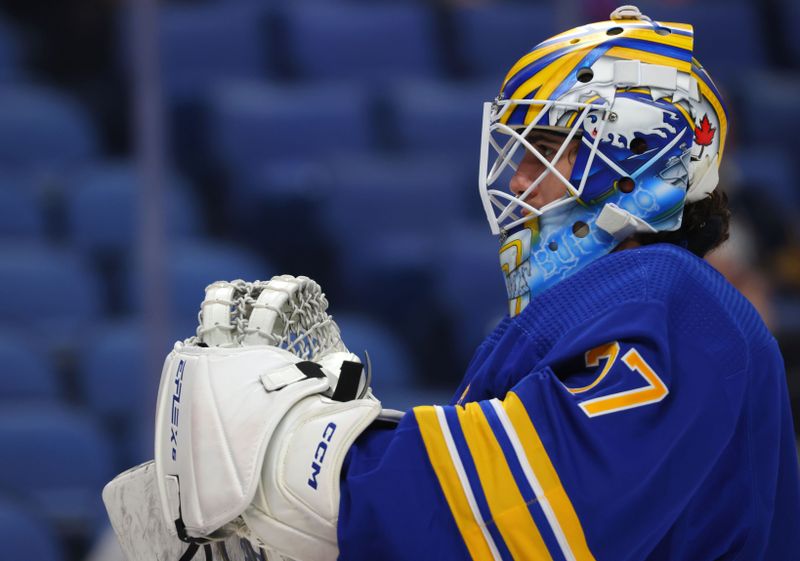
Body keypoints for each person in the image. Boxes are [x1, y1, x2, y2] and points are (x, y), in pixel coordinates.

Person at [106, 5, 800, 561]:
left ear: (635, 158)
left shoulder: (670, 298)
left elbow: (528, 519)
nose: (519, 181)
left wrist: (305, 460)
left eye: (549, 150)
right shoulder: (647, 302)